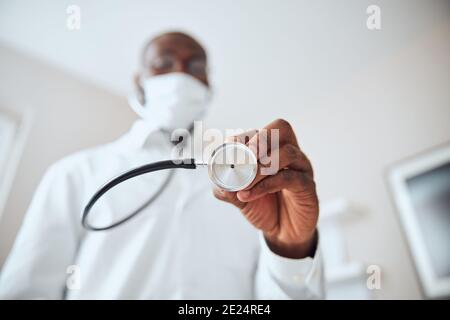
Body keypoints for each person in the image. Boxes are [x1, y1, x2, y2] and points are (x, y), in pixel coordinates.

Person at [0, 32, 324, 299]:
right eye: (163, 64)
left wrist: (291, 249)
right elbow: (25, 291)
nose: (181, 74)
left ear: (208, 87)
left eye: (195, 66)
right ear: (139, 82)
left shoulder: (248, 182)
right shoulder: (74, 174)